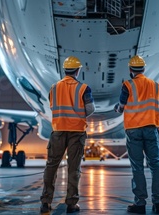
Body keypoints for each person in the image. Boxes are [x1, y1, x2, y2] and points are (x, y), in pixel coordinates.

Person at [40, 56, 95, 213]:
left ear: (64, 70)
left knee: (51, 166)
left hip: (58, 130)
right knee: (73, 168)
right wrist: (77, 114)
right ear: (78, 70)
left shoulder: (54, 88)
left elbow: (52, 106)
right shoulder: (84, 88)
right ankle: (71, 203)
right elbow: (90, 109)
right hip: (76, 132)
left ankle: (45, 201)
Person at [114, 55, 159, 214]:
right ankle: (158, 204)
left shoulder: (127, 85)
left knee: (137, 167)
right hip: (151, 128)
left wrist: (117, 108)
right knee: (156, 166)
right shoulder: (156, 86)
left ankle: (140, 204)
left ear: (131, 70)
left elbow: (122, 105)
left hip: (134, 129)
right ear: (144, 69)